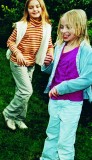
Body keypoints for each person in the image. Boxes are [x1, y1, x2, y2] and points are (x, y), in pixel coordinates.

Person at [40, 9, 92, 160]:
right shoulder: (59, 46)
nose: (63, 31)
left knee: (65, 142)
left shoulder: (86, 51)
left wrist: (62, 88)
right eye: (62, 27)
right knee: (52, 135)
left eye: (68, 27)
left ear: (80, 27)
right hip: (54, 100)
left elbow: (87, 79)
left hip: (72, 103)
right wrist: (47, 64)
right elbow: (54, 71)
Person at [2, 0, 54, 130]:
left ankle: (18, 118)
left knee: (21, 91)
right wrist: (18, 53)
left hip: (31, 64)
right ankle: (8, 113)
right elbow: (10, 41)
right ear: (27, 11)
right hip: (17, 62)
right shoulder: (22, 25)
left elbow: (49, 45)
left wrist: (51, 54)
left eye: (37, 7)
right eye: (31, 7)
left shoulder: (46, 27)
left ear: (42, 8)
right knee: (26, 91)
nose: (35, 9)